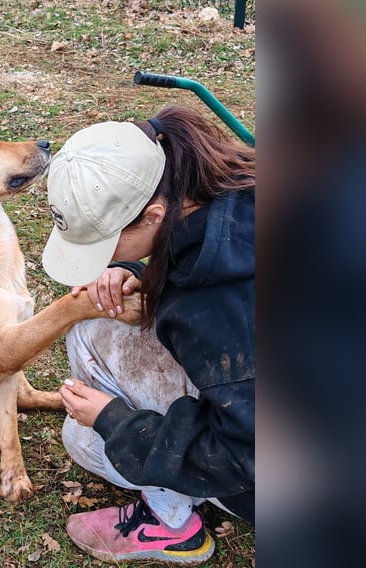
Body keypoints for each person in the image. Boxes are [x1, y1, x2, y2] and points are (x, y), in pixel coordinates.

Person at [41, 104, 255, 564]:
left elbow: (251, 457)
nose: (97, 260)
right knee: (100, 311)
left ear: (154, 214)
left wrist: (118, 423)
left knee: (85, 442)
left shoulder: (222, 306)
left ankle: (171, 524)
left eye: (104, 244)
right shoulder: (240, 182)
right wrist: (133, 268)